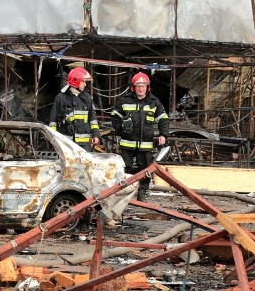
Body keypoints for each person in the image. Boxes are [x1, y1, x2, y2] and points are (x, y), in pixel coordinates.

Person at [111, 72, 169, 201]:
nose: (141, 89)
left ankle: (142, 193)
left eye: (143, 86)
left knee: (145, 170)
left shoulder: (154, 102)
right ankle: (122, 194)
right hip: (127, 144)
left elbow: (163, 119)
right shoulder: (125, 100)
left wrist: (163, 134)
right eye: (138, 86)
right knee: (124, 168)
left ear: (147, 87)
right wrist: (122, 129)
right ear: (133, 87)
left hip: (145, 145)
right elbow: (115, 117)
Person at [48, 67, 101, 151]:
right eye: (83, 81)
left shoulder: (87, 98)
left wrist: (96, 135)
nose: (85, 84)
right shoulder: (60, 98)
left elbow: (92, 119)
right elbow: (53, 121)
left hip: (84, 144)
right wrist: (53, 139)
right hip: (66, 143)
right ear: (75, 81)